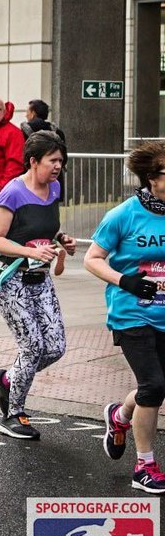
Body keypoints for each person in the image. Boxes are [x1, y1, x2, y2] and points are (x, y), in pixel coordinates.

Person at [83, 141, 165, 494]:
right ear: (152, 178)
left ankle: (120, 416)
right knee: (154, 387)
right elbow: (93, 258)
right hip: (132, 314)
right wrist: (126, 281)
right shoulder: (123, 215)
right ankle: (144, 466)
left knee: (157, 385)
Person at [0, 131, 75, 440]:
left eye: (61, 161)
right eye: (52, 160)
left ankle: (7, 379)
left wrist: (62, 239)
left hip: (39, 276)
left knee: (55, 347)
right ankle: (13, 414)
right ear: (33, 161)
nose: (57, 166)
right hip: (7, 277)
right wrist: (30, 251)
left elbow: (43, 226)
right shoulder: (13, 192)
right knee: (33, 346)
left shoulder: (54, 189)